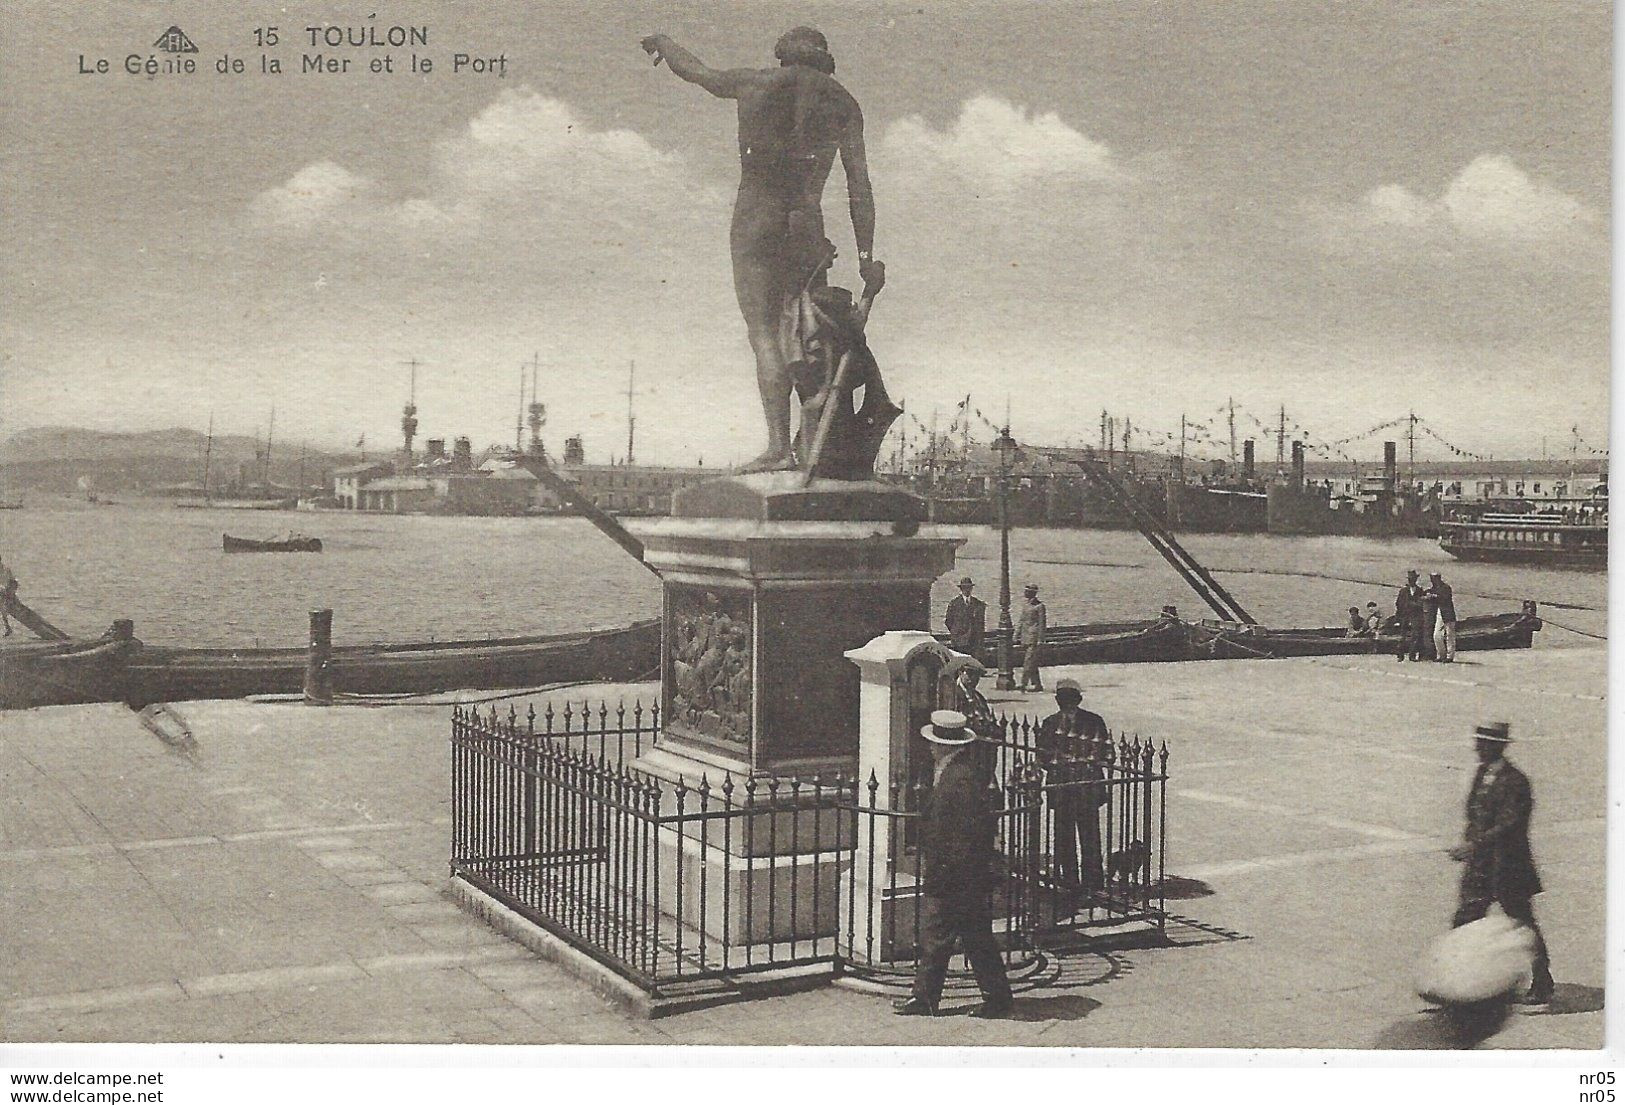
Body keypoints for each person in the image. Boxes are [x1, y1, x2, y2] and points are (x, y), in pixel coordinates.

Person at [641, 28, 882, 474]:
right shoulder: (843, 104)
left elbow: (699, 73)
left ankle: (779, 447)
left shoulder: (756, 83)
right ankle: (811, 448)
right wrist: (866, 255)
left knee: (765, 334)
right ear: (824, 60)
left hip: (757, 216)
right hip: (807, 224)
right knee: (805, 333)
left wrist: (666, 43)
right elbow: (859, 185)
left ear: (782, 56)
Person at [894, 710, 1014, 1018]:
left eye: (934, 743)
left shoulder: (958, 779)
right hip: (962, 875)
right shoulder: (953, 772)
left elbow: (965, 834)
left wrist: (948, 874)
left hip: (956, 876)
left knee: (940, 934)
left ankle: (926, 998)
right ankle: (995, 998)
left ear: (946, 746)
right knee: (975, 938)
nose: (930, 748)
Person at [1447, 722, 1554, 1009]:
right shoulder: (1481, 774)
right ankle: (1459, 984)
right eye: (1477, 741)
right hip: (1481, 866)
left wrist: (1472, 844)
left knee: (1521, 926)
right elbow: (1474, 813)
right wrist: (1469, 845)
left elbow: (1509, 825)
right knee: (1464, 923)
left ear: (1499, 745)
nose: (1477, 747)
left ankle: (1542, 981)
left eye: (1483, 743)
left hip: (1508, 866)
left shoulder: (1516, 781)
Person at [1035, 679, 1107, 895]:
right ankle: (1069, 881)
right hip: (1063, 788)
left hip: (1086, 787)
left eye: (1070, 698)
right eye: (1062, 698)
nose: (1066, 703)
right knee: (1064, 836)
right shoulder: (1049, 724)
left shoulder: (1093, 722)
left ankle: (1093, 883)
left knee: (1090, 836)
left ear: (1078, 700)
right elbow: (1043, 756)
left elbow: (1102, 751)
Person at [944, 576, 987, 657]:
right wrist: (956, 633)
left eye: (969, 587)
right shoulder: (954, 604)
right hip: (959, 641)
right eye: (964, 588)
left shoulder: (978, 604)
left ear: (971, 589)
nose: (967, 590)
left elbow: (981, 624)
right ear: (961, 589)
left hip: (974, 642)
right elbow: (948, 621)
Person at [1016, 583, 1047, 691]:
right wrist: (1016, 635)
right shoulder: (1025, 605)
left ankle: (1023, 684)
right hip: (1025, 637)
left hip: (1033, 638)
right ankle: (1038, 685)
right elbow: (1021, 620)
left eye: (1027, 591)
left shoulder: (1039, 606)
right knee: (1032, 663)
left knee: (1028, 662)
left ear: (1032, 593)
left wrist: (1040, 640)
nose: (1025, 592)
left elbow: (1042, 624)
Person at [1395, 570, 1427, 661]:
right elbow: (1398, 603)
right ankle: (1400, 655)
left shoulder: (1420, 590)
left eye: (1413, 579)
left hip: (1415, 616)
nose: (1411, 581)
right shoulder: (1403, 591)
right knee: (1402, 637)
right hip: (1404, 616)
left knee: (1415, 636)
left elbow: (1422, 603)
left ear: (1415, 579)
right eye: (1410, 579)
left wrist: (1414, 605)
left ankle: (1412, 655)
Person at [1429, 572, 1458, 662]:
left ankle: (1450, 656)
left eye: (1433, 578)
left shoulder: (1446, 588)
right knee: (1436, 635)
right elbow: (1429, 592)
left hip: (1448, 613)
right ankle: (1441, 655)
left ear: (1437, 578)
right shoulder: (1434, 588)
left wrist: (1434, 596)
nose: (1432, 580)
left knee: (1450, 635)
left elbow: (1445, 598)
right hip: (1440, 612)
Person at [0, 556, 16, 637]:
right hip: (3, 593)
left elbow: (13, 582)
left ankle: (8, 628)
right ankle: (8, 628)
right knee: (3, 610)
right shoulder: (6, 569)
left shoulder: (6, 569)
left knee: (3, 609)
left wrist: (11, 592)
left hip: (6, 593)